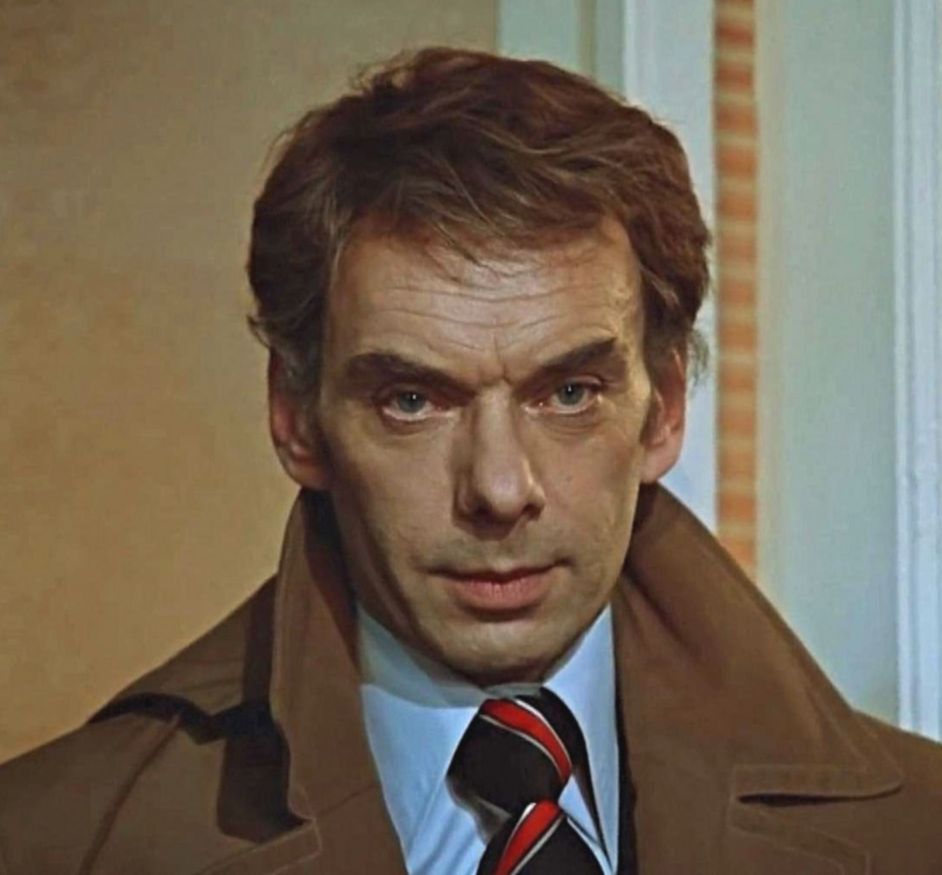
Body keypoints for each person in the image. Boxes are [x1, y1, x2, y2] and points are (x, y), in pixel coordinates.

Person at [1, 46, 940, 875]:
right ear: (297, 419)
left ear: (664, 409)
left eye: (568, 393)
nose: (498, 488)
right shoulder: (56, 842)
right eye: (413, 400)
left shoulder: (920, 828)